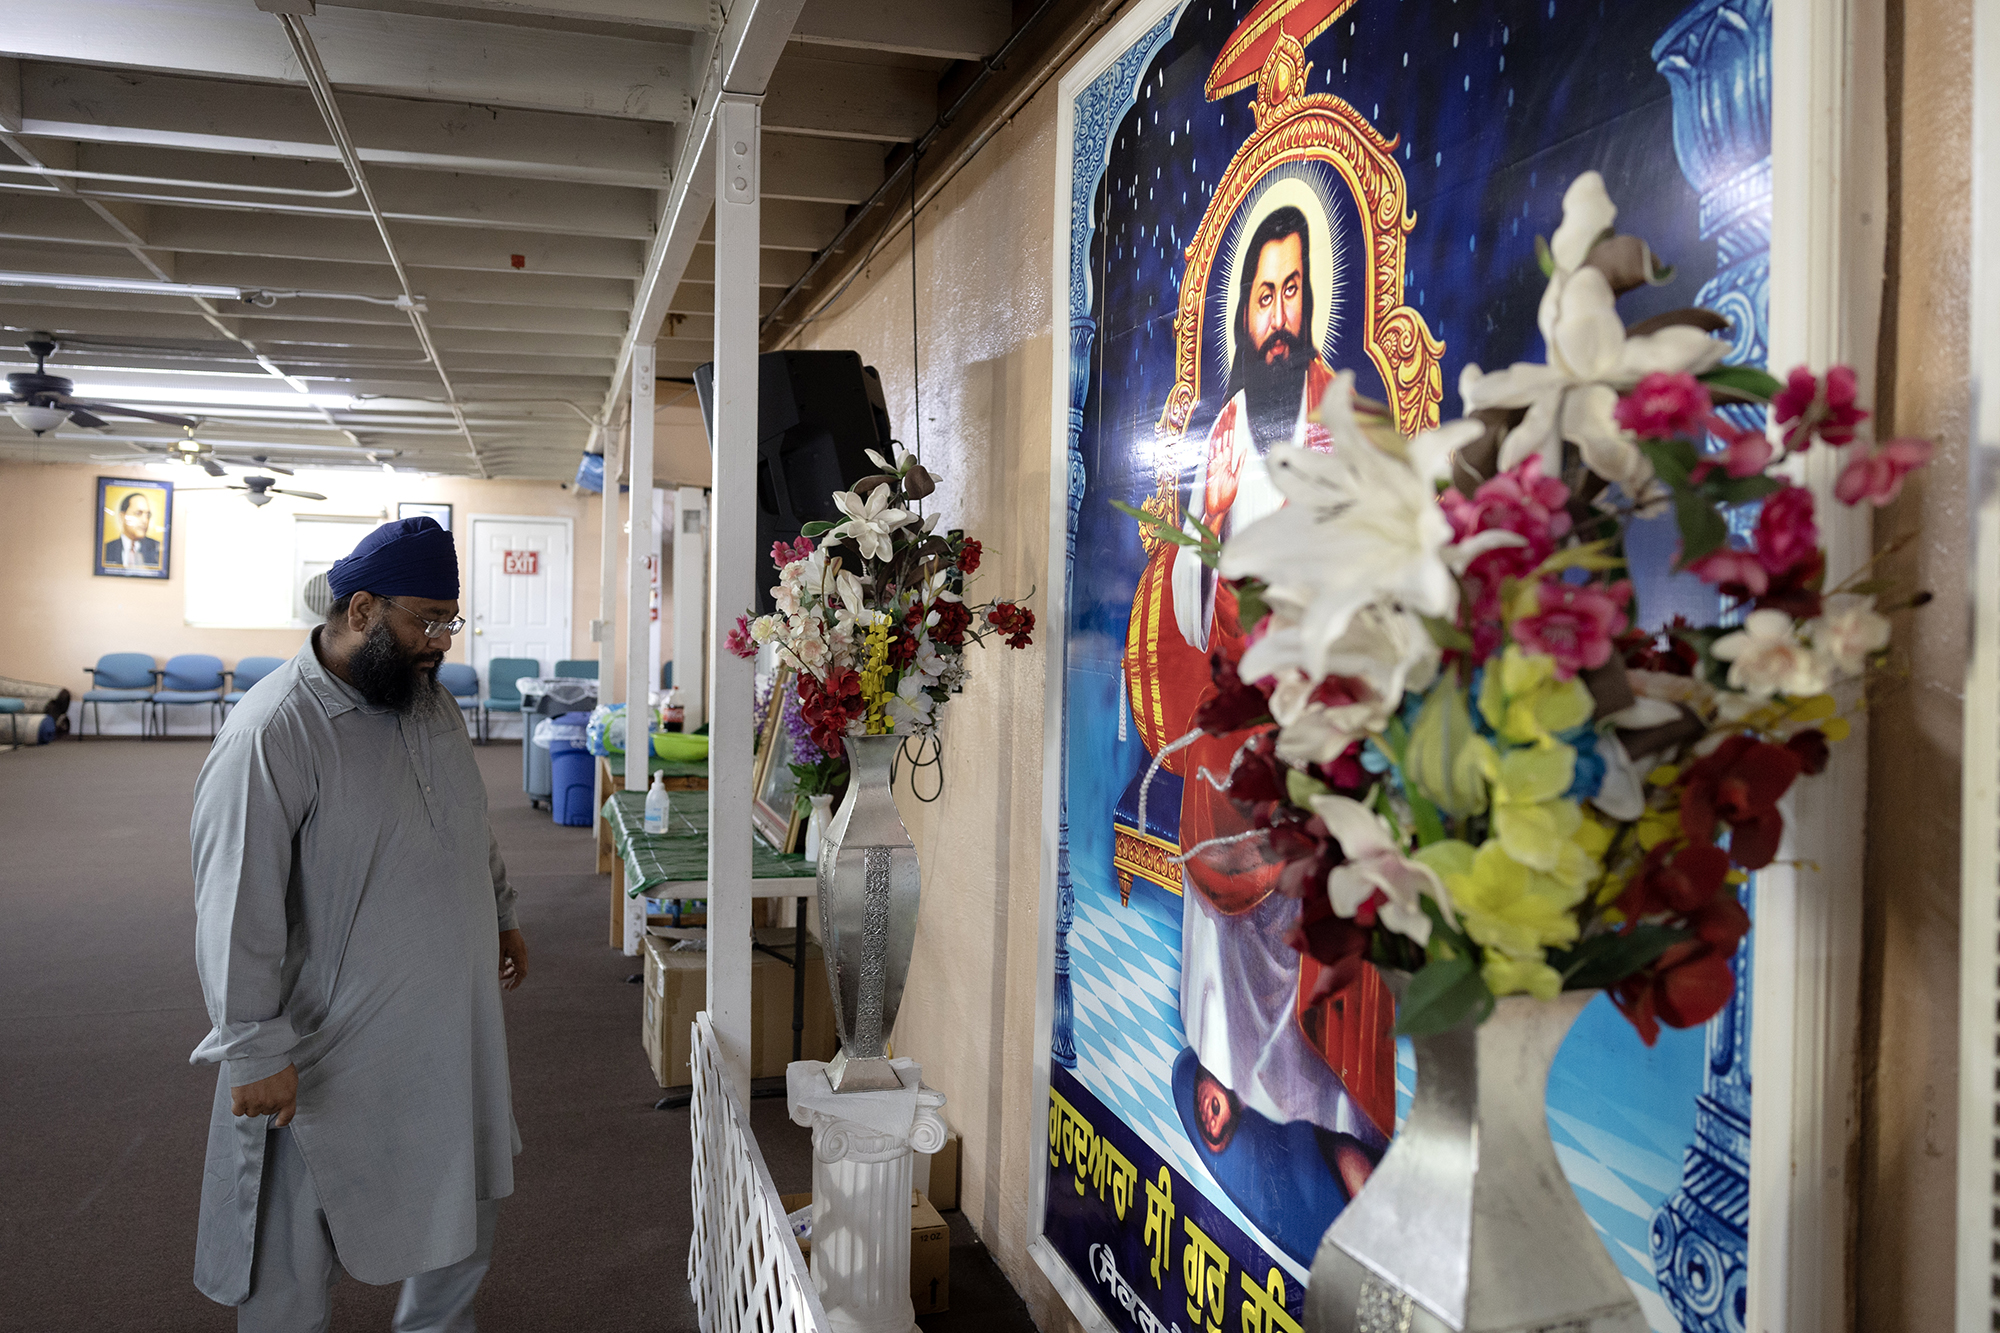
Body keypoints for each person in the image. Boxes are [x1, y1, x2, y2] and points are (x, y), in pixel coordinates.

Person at [1121, 199, 1391, 1263]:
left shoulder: (1339, 414)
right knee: (1226, 912)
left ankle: (1332, 1120)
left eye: (1292, 293)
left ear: (1313, 303)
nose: (1276, 315)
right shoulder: (1225, 429)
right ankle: (1227, 1072)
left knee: (1314, 913)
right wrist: (1193, 605)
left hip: (1310, 714)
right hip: (1226, 713)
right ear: (1239, 311)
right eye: (1261, 295)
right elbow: (1185, 559)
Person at [188, 516, 528, 1332]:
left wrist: (501, 910)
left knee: (460, 1211)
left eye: (451, 619)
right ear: (364, 610)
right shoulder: (274, 731)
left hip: (449, 1032)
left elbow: (466, 819)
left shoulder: (426, 700)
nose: (442, 639)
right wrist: (253, 1046)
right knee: (289, 1261)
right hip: (324, 1051)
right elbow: (235, 903)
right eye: (428, 619)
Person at [102, 491, 161, 570]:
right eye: (138, 513)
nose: (145, 520)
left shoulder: (157, 549)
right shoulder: (107, 549)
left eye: (148, 515)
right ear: (122, 517)